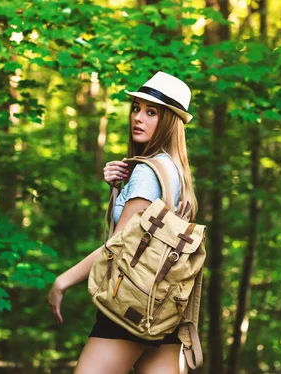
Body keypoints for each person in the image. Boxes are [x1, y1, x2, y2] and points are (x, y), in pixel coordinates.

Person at [47, 71, 199, 374]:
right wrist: (119, 189)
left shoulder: (147, 173)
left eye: (151, 112)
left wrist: (61, 281)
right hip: (165, 311)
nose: (138, 118)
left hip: (129, 307)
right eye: (136, 108)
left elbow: (117, 246)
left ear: (169, 120)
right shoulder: (175, 171)